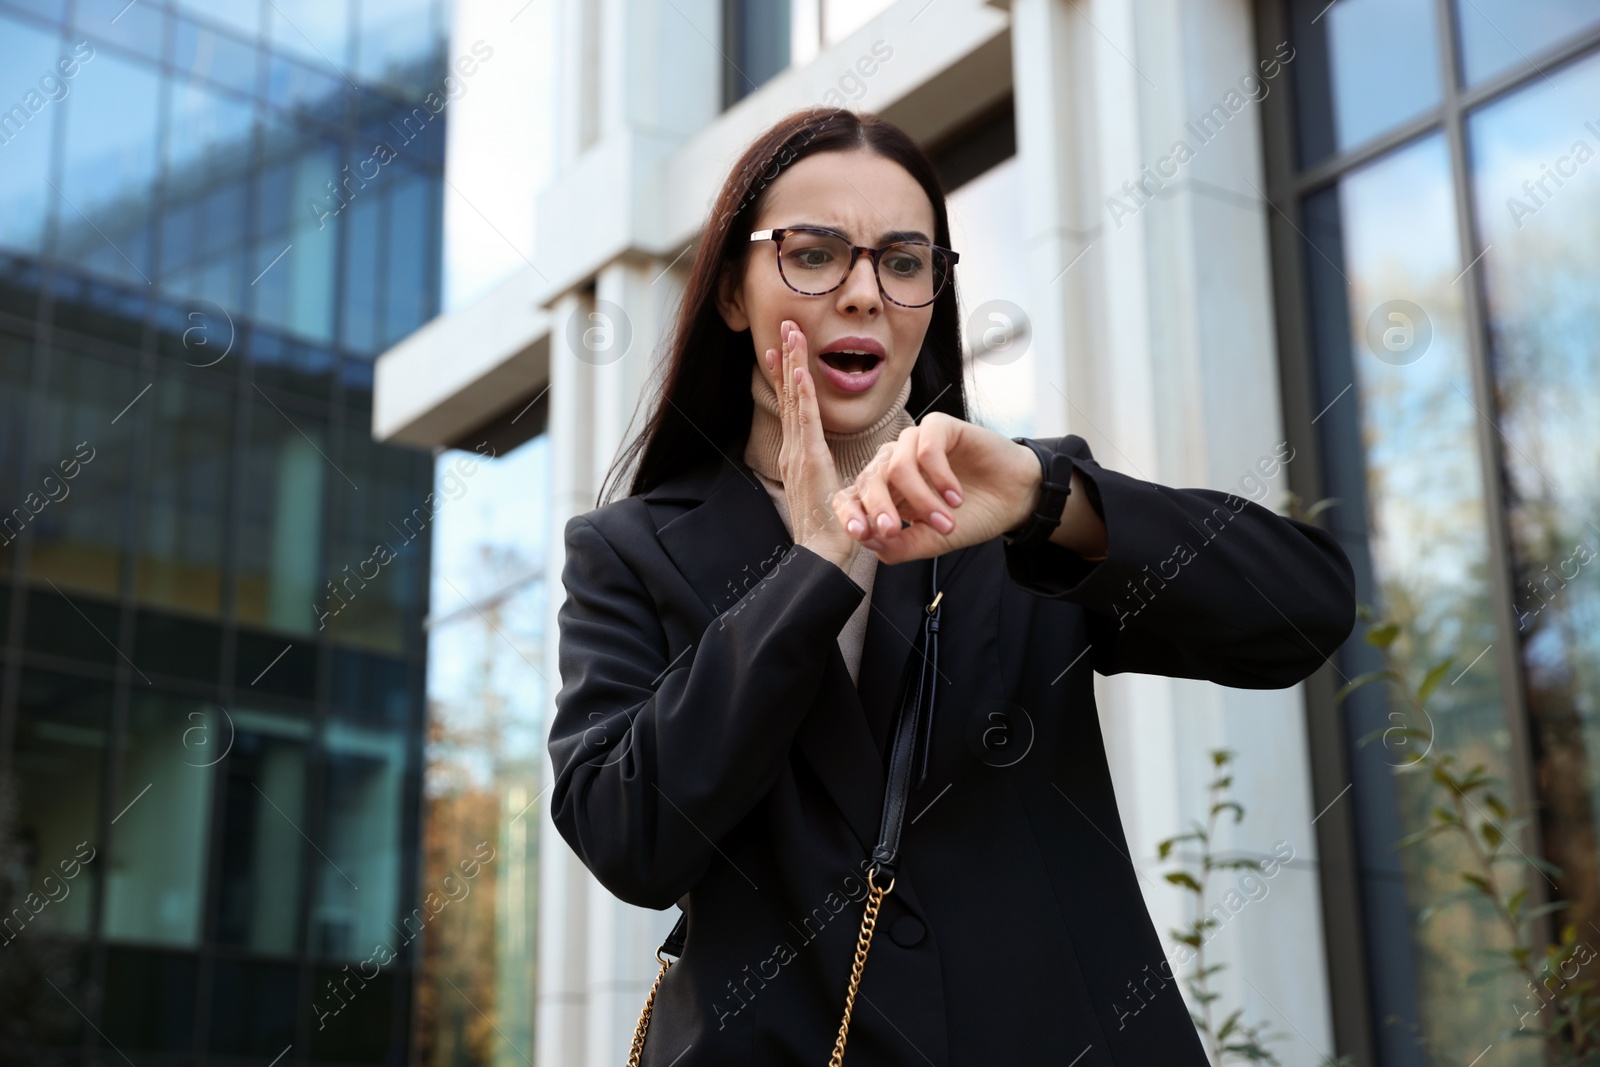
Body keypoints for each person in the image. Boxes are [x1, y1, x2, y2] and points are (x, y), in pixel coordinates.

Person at [548, 106, 1356, 1066]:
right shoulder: (629, 548)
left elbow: (1305, 611)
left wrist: (1047, 496)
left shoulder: (1005, 500)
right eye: (813, 253)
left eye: (902, 260)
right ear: (731, 290)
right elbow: (627, 834)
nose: (862, 293)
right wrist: (811, 571)